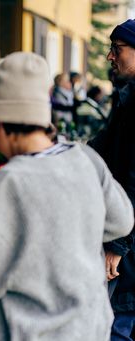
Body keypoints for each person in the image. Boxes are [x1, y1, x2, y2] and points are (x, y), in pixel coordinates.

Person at [0, 52, 134, 340]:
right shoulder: (84, 157)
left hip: (33, 332)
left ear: (1, 123)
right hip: (90, 326)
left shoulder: (12, 180)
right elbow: (122, 221)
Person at [89, 19, 135, 341]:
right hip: (126, 228)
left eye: (117, 49)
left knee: (121, 317)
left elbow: (133, 179)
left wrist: (119, 243)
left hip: (129, 236)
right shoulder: (126, 97)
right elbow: (102, 150)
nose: (110, 56)